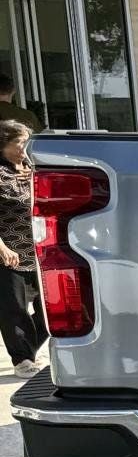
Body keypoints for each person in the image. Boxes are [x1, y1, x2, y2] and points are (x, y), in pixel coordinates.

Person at [0, 122, 47, 377]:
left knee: (50, 307)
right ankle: (22, 359)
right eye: (19, 141)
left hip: (40, 251)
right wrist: (2, 248)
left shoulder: (33, 169)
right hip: (9, 252)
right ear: (3, 145)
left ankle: (26, 349)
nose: (25, 147)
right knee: (14, 309)